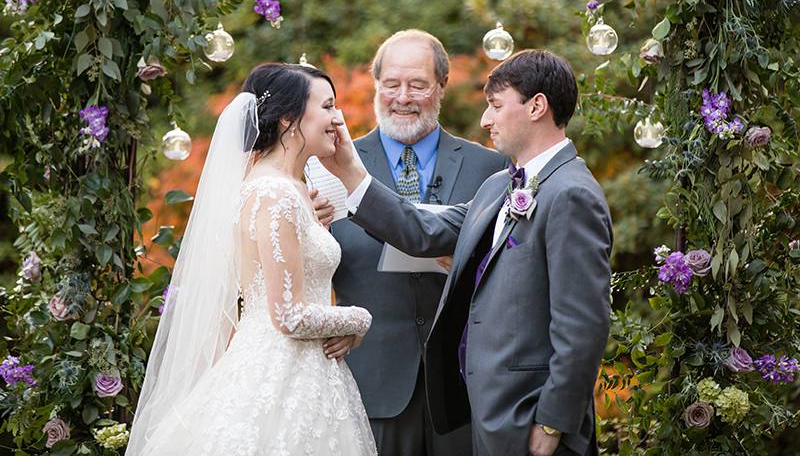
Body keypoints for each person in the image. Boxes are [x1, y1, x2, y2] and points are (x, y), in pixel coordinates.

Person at [322, 50, 612, 456]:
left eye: (494, 106)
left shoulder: (571, 194)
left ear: (537, 107)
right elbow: (420, 231)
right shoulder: (499, 186)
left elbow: (583, 324)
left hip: (531, 418)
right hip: (490, 415)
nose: (485, 120)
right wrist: (350, 170)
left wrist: (554, 419)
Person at [127, 63, 377, 455]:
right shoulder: (272, 194)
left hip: (310, 373)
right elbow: (289, 315)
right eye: (327, 107)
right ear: (287, 119)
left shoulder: (295, 189)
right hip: (277, 374)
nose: (337, 119)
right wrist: (358, 319)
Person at [322, 29, 507, 456]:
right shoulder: (327, 166)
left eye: (418, 85)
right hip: (370, 379)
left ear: (442, 87)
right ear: (376, 86)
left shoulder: (490, 167)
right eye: (391, 84)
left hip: (461, 384)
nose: (402, 96)